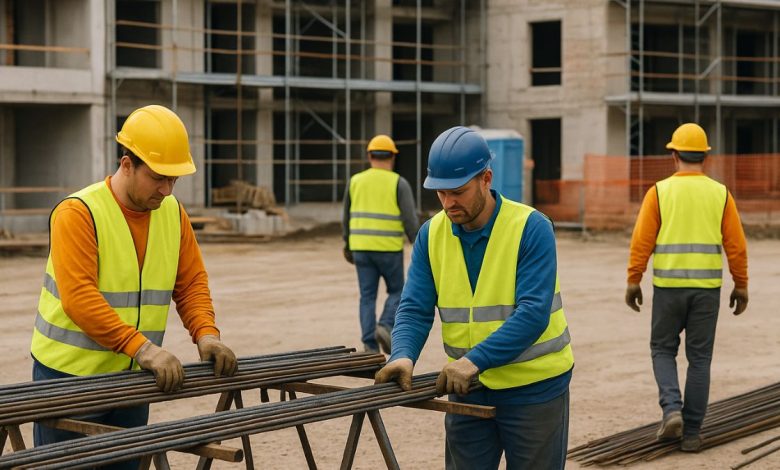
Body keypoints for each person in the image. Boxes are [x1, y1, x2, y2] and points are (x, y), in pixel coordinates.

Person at [31, 105, 238, 466]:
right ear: (127, 164)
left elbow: (190, 283)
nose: (167, 189)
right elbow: (79, 298)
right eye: (158, 178)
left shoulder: (172, 213)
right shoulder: (78, 213)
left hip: (133, 378)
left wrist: (206, 334)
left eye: (174, 180)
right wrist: (142, 348)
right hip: (68, 379)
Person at [375, 126, 573, 469]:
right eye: (440, 193)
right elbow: (414, 308)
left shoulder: (531, 227)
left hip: (534, 389)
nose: (448, 203)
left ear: (486, 179)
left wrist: (473, 360)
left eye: (458, 192)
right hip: (469, 389)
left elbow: (533, 313)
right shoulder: (431, 234)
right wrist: (403, 354)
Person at [625, 122, 748, 453]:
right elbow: (736, 246)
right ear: (705, 157)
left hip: (668, 288)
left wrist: (634, 279)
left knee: (662, 349)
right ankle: (692, 434)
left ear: (674, 155)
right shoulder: (720, 193)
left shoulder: (659, 192)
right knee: (700, 359)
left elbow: (641, 240)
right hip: (707, 290)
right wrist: (741, 284)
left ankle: (671, 410)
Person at [342, 134, 419, 354]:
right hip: (388, 249)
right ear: (392, 157)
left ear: (369, 156)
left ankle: (369, 345)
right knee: (398, 291)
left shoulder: (355, 181)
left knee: (367, 296)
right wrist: (418, 244)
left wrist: (347, 244)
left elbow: (345, 216)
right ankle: (385, 325)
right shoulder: (398, 183)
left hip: (361, 249)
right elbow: (410, 220)